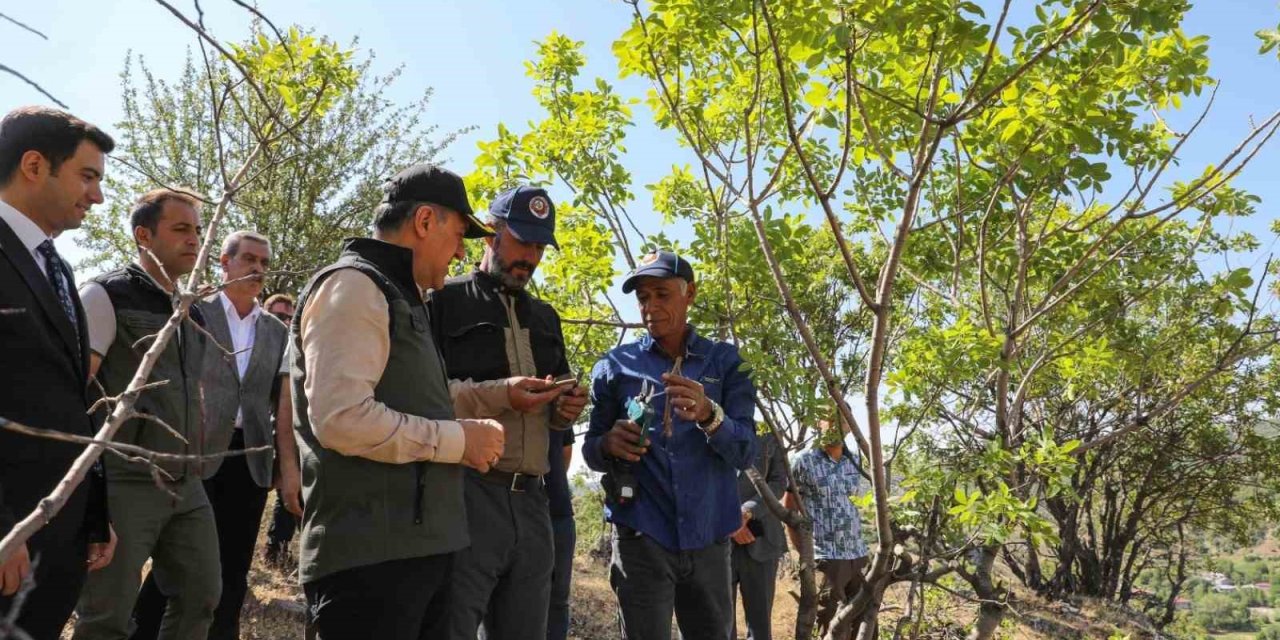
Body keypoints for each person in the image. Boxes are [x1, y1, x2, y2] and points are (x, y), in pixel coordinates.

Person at [291, 164, 566, 639]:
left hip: (412, 549)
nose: (460, 250)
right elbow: (340, 419)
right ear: (424, 222)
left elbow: (422, 401)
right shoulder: (355, 285)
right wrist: (458, 440)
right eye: (460, 234)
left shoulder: (401, 296)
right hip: (369, 555)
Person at [430, 185, 589, 640]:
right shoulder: (443, 300)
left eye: (539, 246)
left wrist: (565, 408)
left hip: (534, 502)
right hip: (465, 493)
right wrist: (502, 394)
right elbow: (425, 397)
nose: (531, 258)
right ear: (490, 235)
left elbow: (556, 416)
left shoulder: (546, 318)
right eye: (522, 242)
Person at [583, 250, 758, 640]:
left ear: (689, 293)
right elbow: (591, 452)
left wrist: (710, 415)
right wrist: (608, 443)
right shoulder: (614, 366)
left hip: (710, 538)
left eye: (662, 294)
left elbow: (746, 452)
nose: (651, 307)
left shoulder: (726, 363)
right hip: (641, 539)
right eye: (643, 298)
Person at [73, 189, 221, 640]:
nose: (194, 240)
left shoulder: (191, 308)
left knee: (202, 595)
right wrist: (92, 500)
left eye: (197, 230)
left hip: (186, 480)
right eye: (180, 229)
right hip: (123, 482)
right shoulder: (105, 295)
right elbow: (75, 395)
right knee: (107, 617)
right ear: (143, 234)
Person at [130, 231, 291, 639]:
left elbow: (282, 403)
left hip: (250, 459)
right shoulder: (193, 313)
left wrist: (284, 465)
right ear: (225, 261)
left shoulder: (275, 330)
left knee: (233, 571)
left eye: (264, 263)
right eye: (249, 259)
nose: (257, 269)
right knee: (175, 567)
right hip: (194, 454)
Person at [0, 106, 116, 639]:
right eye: (87, 175)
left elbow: (71, 398)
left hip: (56, 535)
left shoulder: (57, 267)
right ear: (33, 165)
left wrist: (92, 512)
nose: (96, 195)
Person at [785, 418, 869, 640]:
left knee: (861, 626)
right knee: (827, 626)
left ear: (850, 425)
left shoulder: (855, 460)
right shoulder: (803, 461)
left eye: (841, 419)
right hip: (826, 559)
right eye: (829, 419)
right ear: (818, 422)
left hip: (858, 556)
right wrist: (806, 554)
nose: (835, 425)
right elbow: (790, 510)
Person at [731, 430, 788, 640]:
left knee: (760, 627)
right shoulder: (702, 428)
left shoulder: (769, 432)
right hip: (715, 543)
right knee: (719, 624)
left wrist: (747, 511)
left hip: (762, 542)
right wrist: (730, 522)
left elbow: (778, 483)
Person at [261, 293, 301, 567]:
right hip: (259, 437)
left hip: (292, 435)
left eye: (290, 316)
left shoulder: (296, 347)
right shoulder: (258, 345)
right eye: (278, 316)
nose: (285, 322)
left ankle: (279, 549)